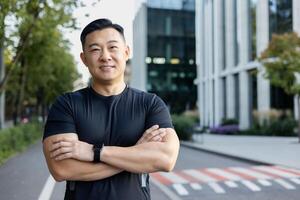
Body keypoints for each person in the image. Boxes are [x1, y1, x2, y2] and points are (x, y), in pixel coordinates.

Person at [42, 18, 180, 200]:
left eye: (112, 47)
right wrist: (136, 152)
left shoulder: (150, 104)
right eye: (95, 49)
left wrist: (95, 152)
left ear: (126, 52)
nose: (105, 56)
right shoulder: (66, 105)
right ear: (84, 58)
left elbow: (165, 159)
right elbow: (62, 169)